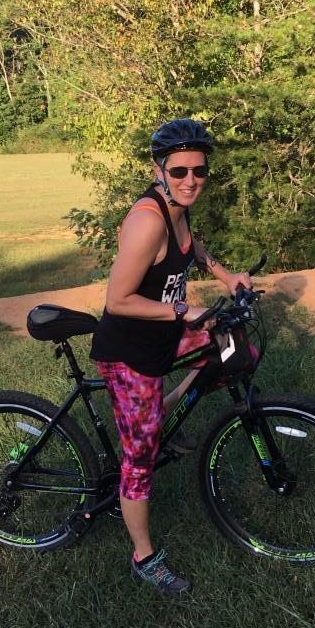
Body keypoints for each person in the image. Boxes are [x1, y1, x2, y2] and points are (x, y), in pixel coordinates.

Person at [90, 118, 251, 598]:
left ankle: (162, 415)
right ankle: (143, 557)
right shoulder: (147, 220)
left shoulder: (179, 207)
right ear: (159, 168)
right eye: (179, 170)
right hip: (129, 351)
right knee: (138, 460)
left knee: (235, 347)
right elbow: (117, 300)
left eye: (200, 172)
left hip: (161, 336)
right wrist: (185, 308)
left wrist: (225, 276)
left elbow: (191, 248)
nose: (190, 181)